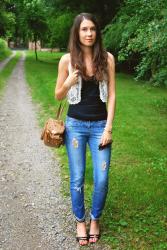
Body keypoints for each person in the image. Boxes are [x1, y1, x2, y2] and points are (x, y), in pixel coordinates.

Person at [55, 13, 116, 246]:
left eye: (92, 29)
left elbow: (111, 95)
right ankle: (80, 220)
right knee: (77, 177)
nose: (89, 33)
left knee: (102, 179)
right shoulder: (66, 60)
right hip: (75, 127)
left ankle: (95, 219)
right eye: (84, 30)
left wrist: (109, 127)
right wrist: (69, 82)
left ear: (97, 32)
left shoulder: (107, 59)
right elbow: (58, 95)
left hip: (101, 126)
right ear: (77, 33)